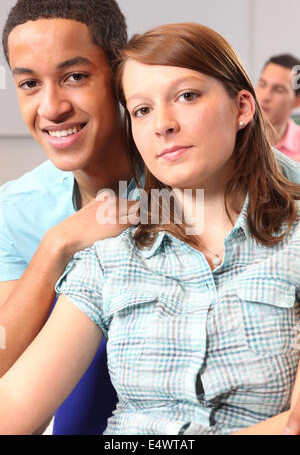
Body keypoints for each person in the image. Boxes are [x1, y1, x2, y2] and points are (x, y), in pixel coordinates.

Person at [0, 22, 300, 436]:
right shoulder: (105, 256)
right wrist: (57, 244)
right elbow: (12, 402)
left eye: (187, 96)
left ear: (243, 108)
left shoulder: (293, 237)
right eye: (142, 109)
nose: (163, 124)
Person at [0, 0, 135, 435]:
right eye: (29, 84)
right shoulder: (18, 208)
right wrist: (57, 244)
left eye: (75, 76)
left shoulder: (203, 177)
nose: (52, 108)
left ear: (119, 73)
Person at [256, 54, 300, 162]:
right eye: (262, 84)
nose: (265, 97)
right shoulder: (233, 136)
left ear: (297, 101)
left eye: (278, 90)